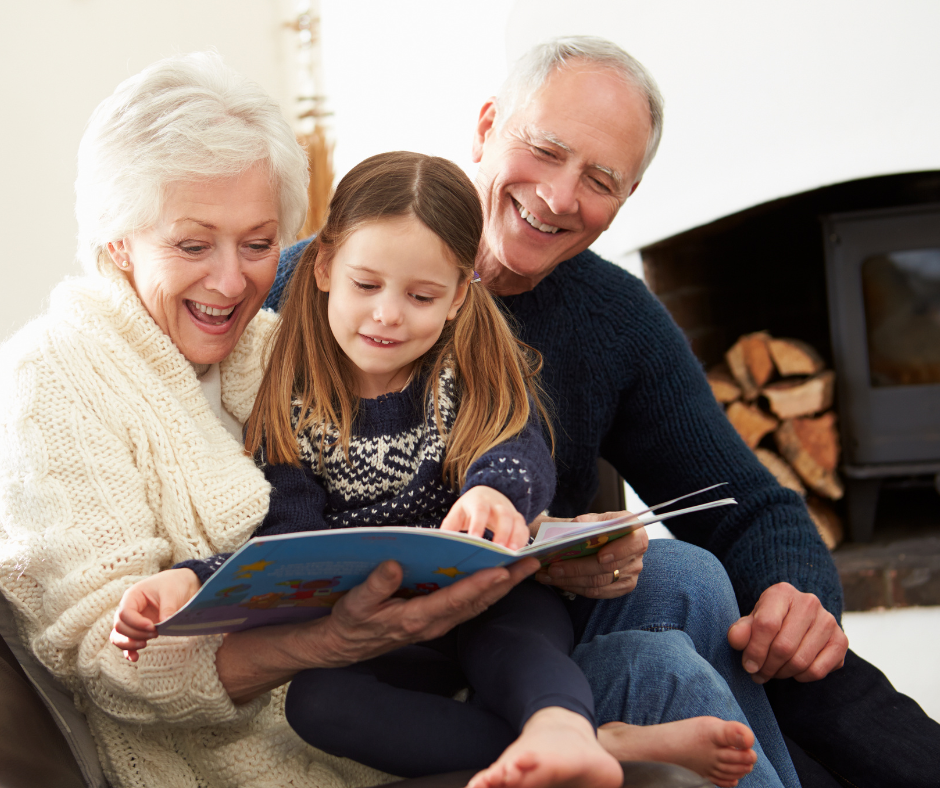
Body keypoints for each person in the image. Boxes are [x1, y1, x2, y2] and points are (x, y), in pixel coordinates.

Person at [0, 50, 783, 788]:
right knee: (661, 673)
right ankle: (591, 739)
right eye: (193, 244)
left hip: (459, 640)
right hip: (309, 725)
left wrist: (533, 533)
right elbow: (145, 637)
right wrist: (310, 635)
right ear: (118, 242)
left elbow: (501, 444)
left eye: (260, 242)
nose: (233, 280)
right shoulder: (60, 378)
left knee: (688, 574)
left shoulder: (270, 343)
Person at [268, 36, 940, 788]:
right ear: (487, 126)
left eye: (600, 178)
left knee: (720, 596)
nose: (558, 196)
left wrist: (801, 595)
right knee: (688, 596)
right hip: (364, 646)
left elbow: (748, 504)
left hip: (523, 627)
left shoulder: (614, 317)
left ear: (626, 201)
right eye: (546, 149)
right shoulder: (309, 288)